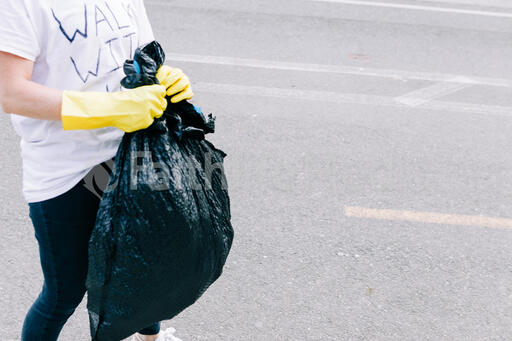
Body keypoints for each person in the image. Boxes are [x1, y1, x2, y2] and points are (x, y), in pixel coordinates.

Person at [0, 1, 193, 340]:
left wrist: (166, 78)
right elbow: (11, 93)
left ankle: (151, 339)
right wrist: (109, 108)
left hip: (130, 153)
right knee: (64, 293)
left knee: (139, 267)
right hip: (64, 172)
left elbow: (143, 58)